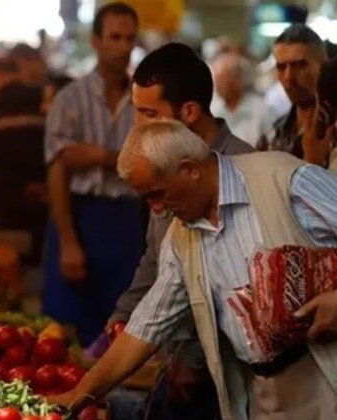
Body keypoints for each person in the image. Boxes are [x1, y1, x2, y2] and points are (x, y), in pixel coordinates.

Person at [49, 119, 337, 420]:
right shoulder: (181, 236)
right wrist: (80, 394)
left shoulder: (283, 179)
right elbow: (147, 326)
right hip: (262, 394)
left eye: (157, 194)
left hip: (326, 377)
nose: (157, 210)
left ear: (189, 169)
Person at [107, 42, 254, 420]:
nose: (139, 126)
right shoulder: (159, 162)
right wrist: (125, 312)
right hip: (177, 357)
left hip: (229, 372)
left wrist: (192, 355)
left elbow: (235, 283)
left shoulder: (242, 168)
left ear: (188, 111)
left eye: (149, 114)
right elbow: (156, 257)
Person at [43, 2, 140, 347]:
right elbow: (58, 168)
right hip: (79, 216)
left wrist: (98, 155)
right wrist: (68, 240)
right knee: (68, 332)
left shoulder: (143, 102)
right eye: (114, 37)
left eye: (129, 38)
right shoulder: (70, 99)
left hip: (128, 220)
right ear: (96, 41)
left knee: (120, 328)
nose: (123, 47)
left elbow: (149, 164)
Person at [0, 54, 47, 265]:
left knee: (3, 267)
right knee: (35, 260)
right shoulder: (40, 99)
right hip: (39, 195)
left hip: (1, 198)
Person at [258, 24, 329, 165]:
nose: (289, 77)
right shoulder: (273, 135)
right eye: (281, 67)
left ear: (323, 65)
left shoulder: (331, 129)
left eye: (299, 65)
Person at [211, 52, 276, 147]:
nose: (217, 86)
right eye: (216, 80)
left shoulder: (261, 110)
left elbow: (273, 145)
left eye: (222, 79)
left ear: (238, 80)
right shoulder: (213, 107)